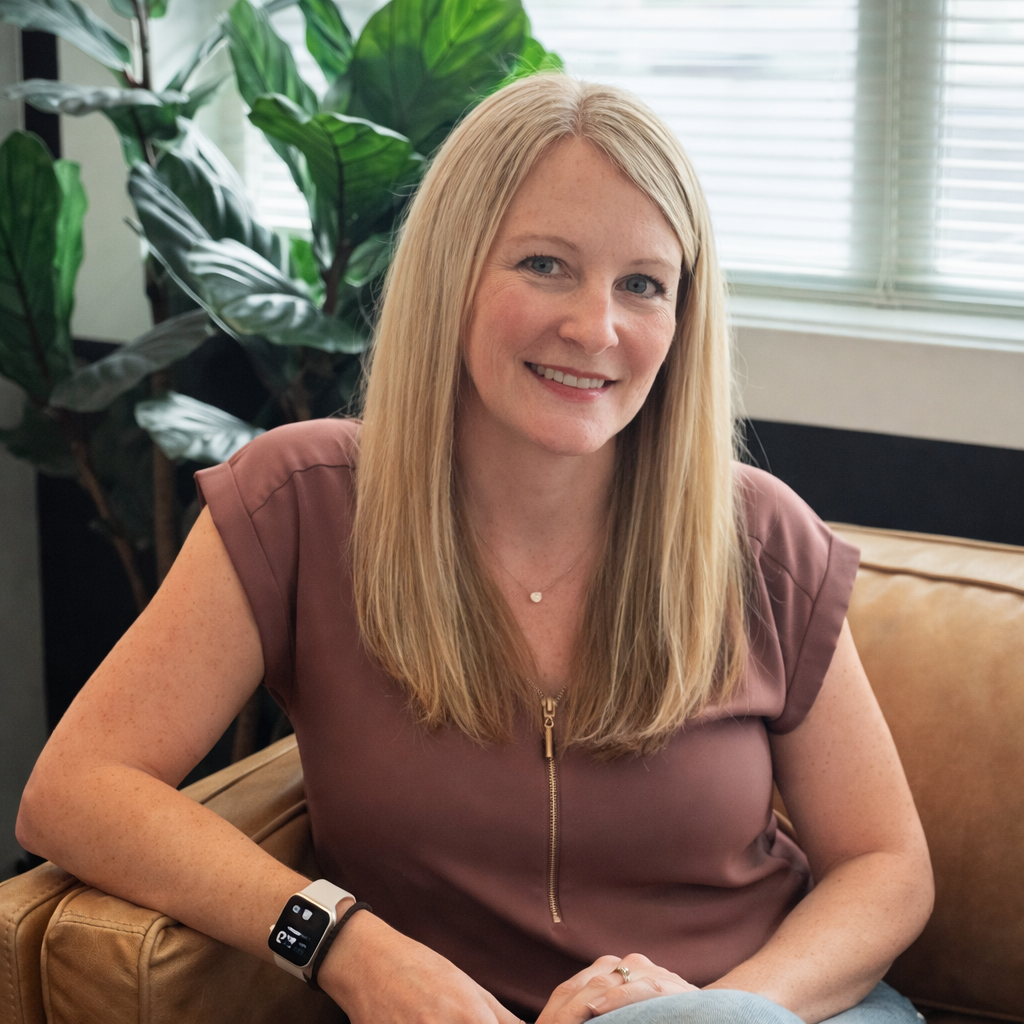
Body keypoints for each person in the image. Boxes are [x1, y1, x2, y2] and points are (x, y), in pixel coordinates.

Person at [16, 75, 933, 1024]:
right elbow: (76, 790)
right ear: (451, 272)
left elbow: (886, 866)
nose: (595, 327)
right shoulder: (300, 506)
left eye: (642, 285)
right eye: (544, 264)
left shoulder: (757, 536)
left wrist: (727, 1008)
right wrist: (343, 944)